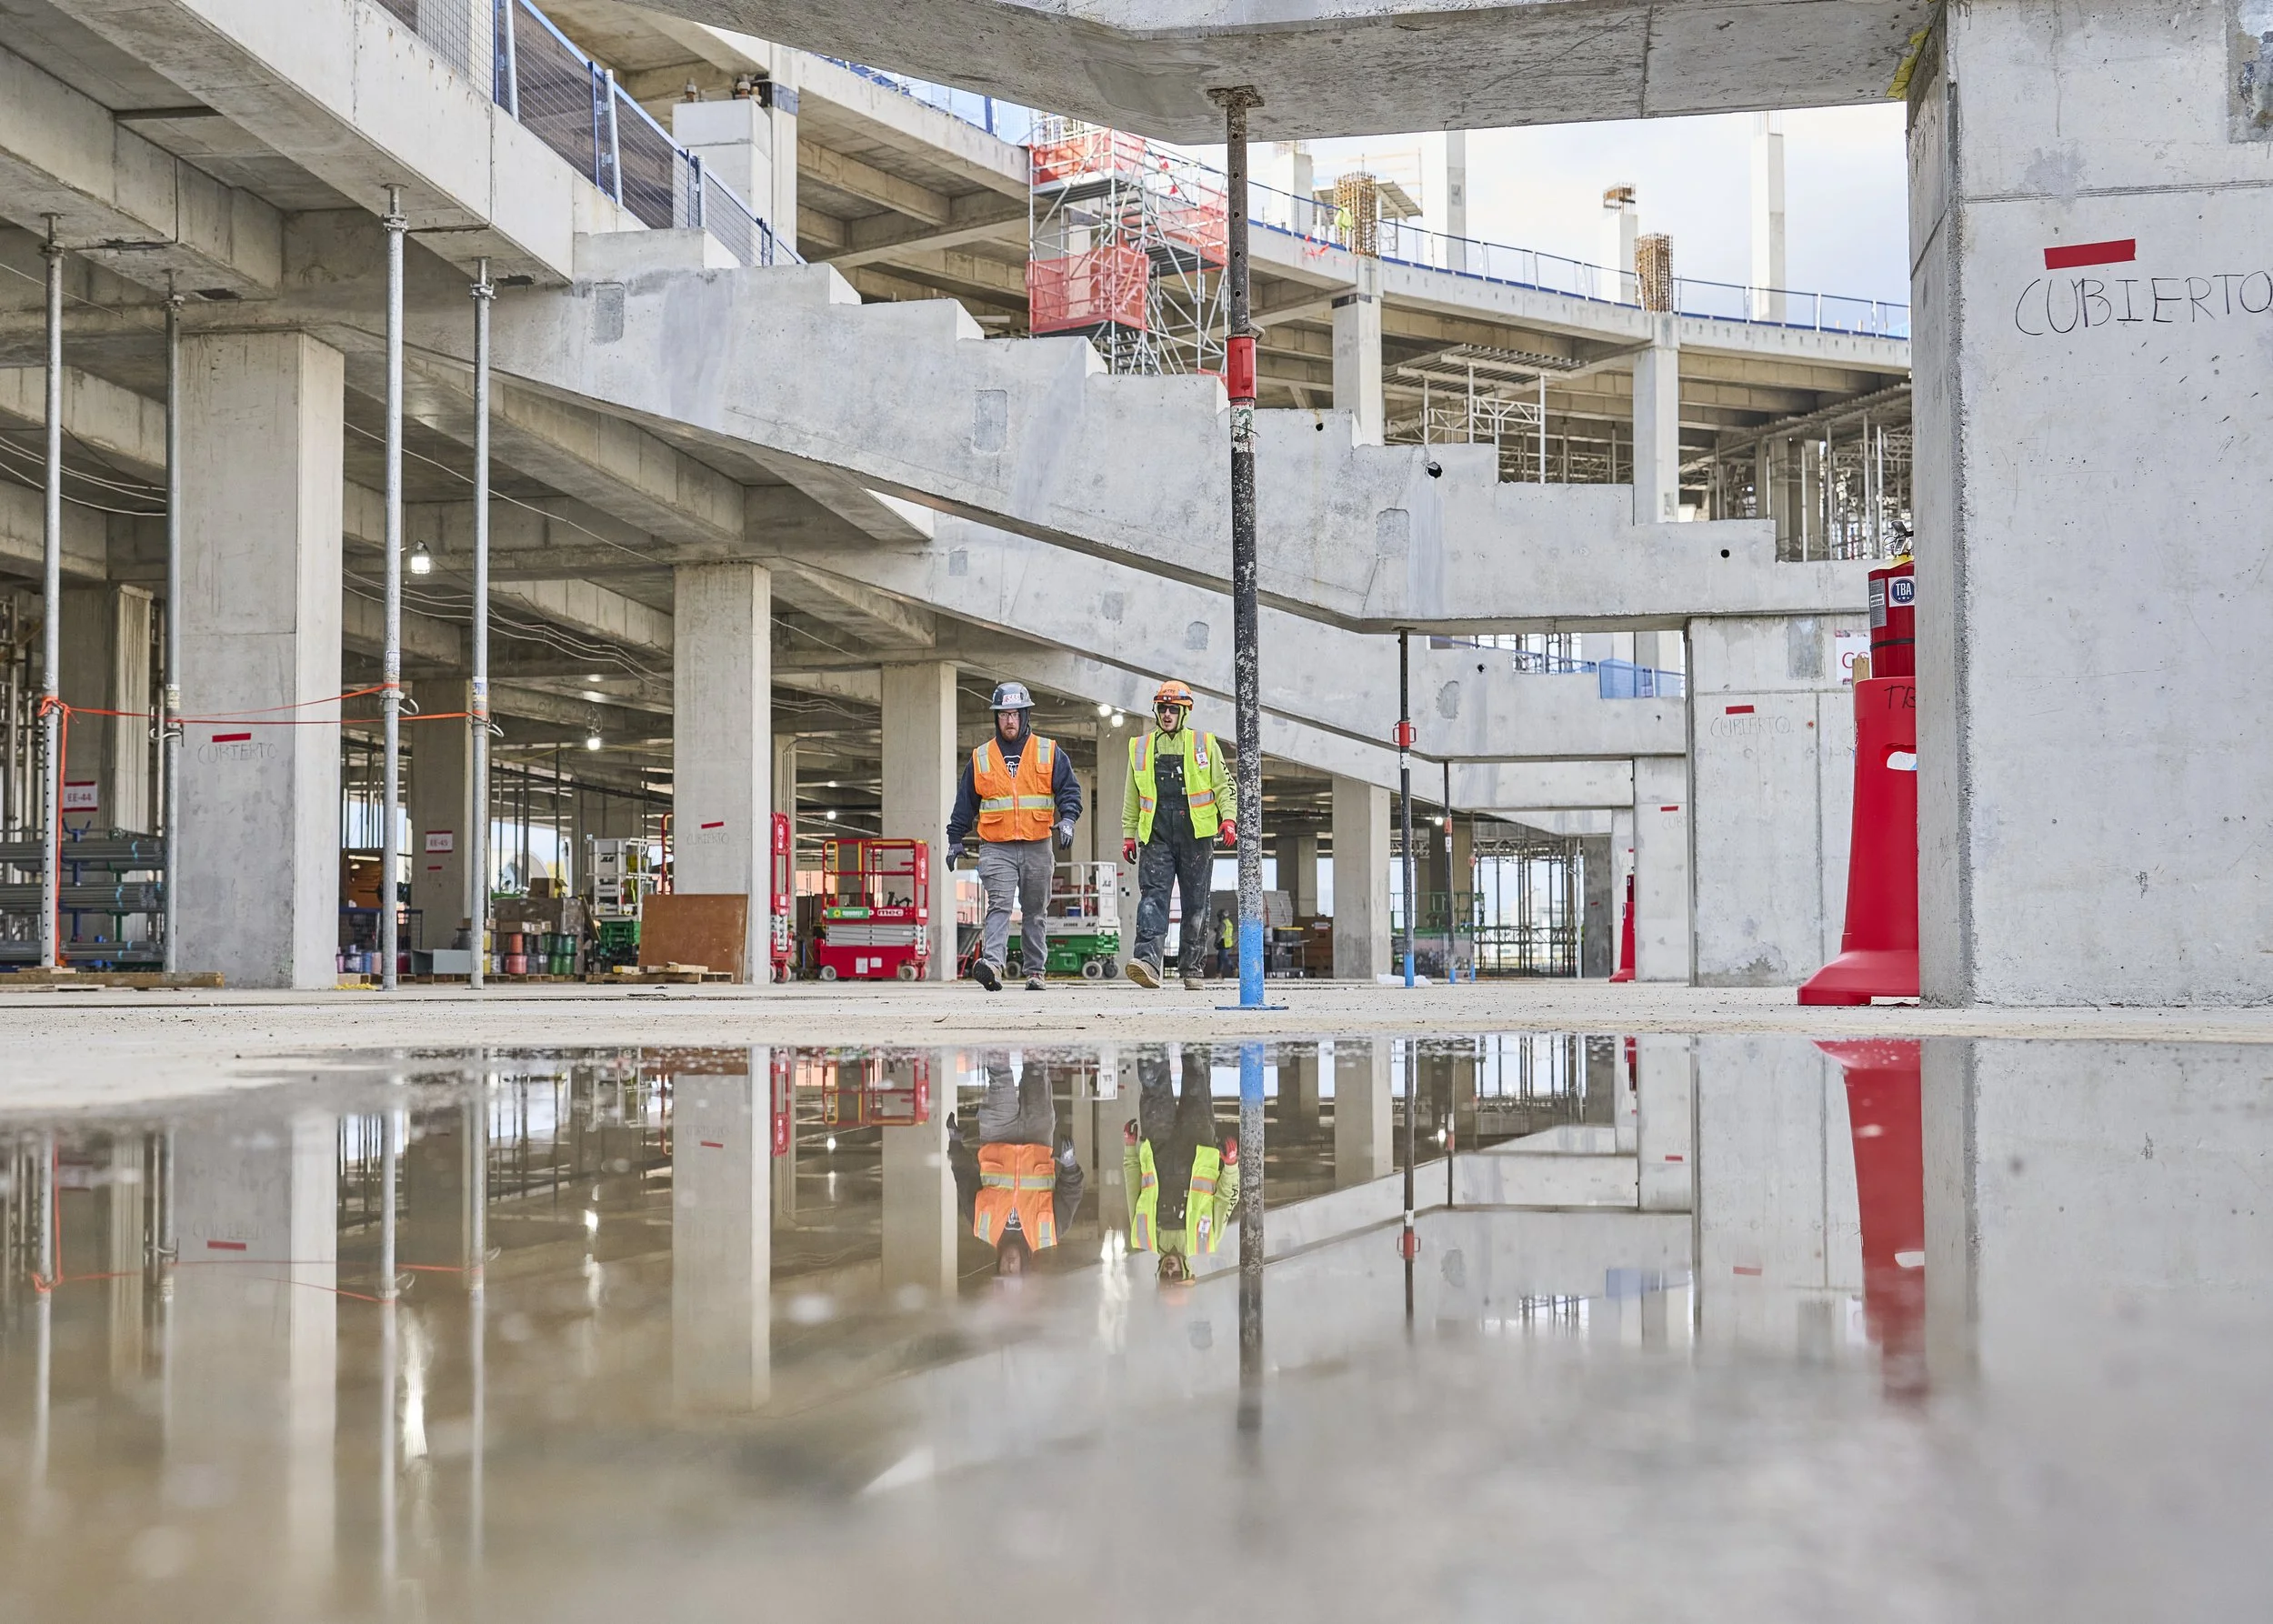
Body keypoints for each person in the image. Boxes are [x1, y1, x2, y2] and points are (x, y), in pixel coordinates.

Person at [946, 680, 1082, 991]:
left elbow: (1069, 791)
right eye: (1003, 714)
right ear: (996, 718)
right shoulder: (981, 757)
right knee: (1000, 906)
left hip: (1037, 843)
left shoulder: (1048, 751)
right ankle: (993, 965)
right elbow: (965, 801)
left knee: (1035, 912)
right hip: (997, 846)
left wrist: (1069, 820)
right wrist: (955, 838)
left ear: (1025, 716)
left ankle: (1035, 972)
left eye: (1015, 714)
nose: (1009, 720)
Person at [1121, 679, 1237, 991]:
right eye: (1163, 708)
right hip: (1155, 833)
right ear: (1156, 711)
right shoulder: (1141, 747)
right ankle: (1146, 962)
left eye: (1174, 709)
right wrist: (1129, 834)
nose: (1167, 714)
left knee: (1195, 902)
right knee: (1152, 898)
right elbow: (1132, 796)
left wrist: (1229, 819)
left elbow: (1223, 786)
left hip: (1196, 834)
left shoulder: (1204, 743)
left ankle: (1192, 968)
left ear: (1185, 712)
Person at [951, 1053, 1085, 1277]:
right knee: (1036, 1071)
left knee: (999, 1074)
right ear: (1025, 1267)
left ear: (998, 1266)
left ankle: (994, 1022)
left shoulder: (983, 1228)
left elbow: (965, 1180)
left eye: (1005, 1270)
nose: (1010, 1265)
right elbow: (1071, 1193)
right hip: (1038, 1139)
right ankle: (1035, 1020)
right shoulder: (1049, 1232)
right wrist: (1070, 1165)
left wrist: (955, 1145)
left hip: (997, 1137)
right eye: (1015, 1270)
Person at [1121, 1045, 1239, 1284]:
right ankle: (1198, 1021)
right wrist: (1231, 1166)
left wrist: (1130, 1148)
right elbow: (1228, 1197)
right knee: (1196, 1075)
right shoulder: (1207, 1240)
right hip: (1197, 1145)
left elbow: (1133, 1186)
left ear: (1158, 1273)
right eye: (1176, 1275)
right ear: (1187, 1272)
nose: (1170, 1270)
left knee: (1152, 1081)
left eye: (1166, 1275)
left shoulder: (1143, 1238)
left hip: (1158, 1145)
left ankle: (1149, 1026)